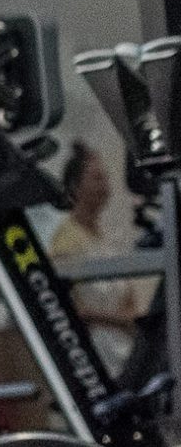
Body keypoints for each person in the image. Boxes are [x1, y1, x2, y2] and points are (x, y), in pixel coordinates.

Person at [51, 141, 154, 376]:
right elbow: (68, 307)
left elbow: (126, 299)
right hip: (94, 355)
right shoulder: (66, 240)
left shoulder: (103, 239)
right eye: (97, 178)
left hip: (123, 352)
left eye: (105, 178)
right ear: (76, 187)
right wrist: (120, 322)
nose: (104, 186)